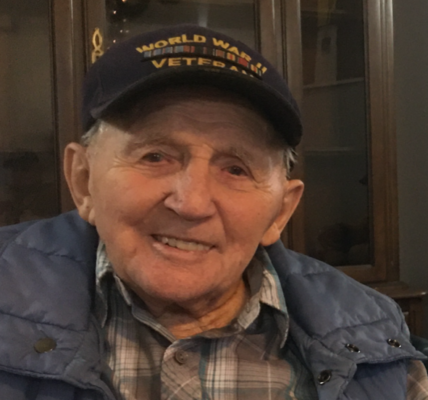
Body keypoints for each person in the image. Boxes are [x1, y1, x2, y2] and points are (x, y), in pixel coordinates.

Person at [0, 24, 427, 400]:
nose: (191, 204)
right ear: (83, 180)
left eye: (236, 169)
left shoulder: (380, 349)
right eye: (155, 156)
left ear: (281, 211)